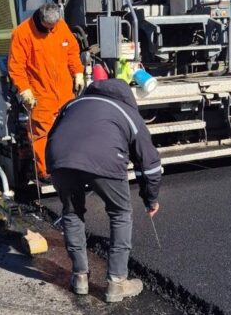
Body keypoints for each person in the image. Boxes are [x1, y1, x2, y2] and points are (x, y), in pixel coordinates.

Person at [46, 78, 162, 303]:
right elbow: (150, 163)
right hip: (104, 158)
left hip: (58, 157)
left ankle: (80, 277)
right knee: (120, 213)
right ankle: (117, 283)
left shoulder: (74, 104)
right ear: (127, 95)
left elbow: (54, 134)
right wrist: (151, 199)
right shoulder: (126, 110)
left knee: (71, 213)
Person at [8, 3, 84, 182]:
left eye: (54, 27)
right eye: (48, 28)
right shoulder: (22, 33)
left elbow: (72, 52)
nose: (51, 31)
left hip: (65, 92)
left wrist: (78, 73)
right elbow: (16, 66)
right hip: (40, 93)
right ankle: (46, 171)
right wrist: (25, 90)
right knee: (42, 133)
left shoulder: (60, 26)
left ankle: (70, 165)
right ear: (41, 19)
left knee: (68, 129)